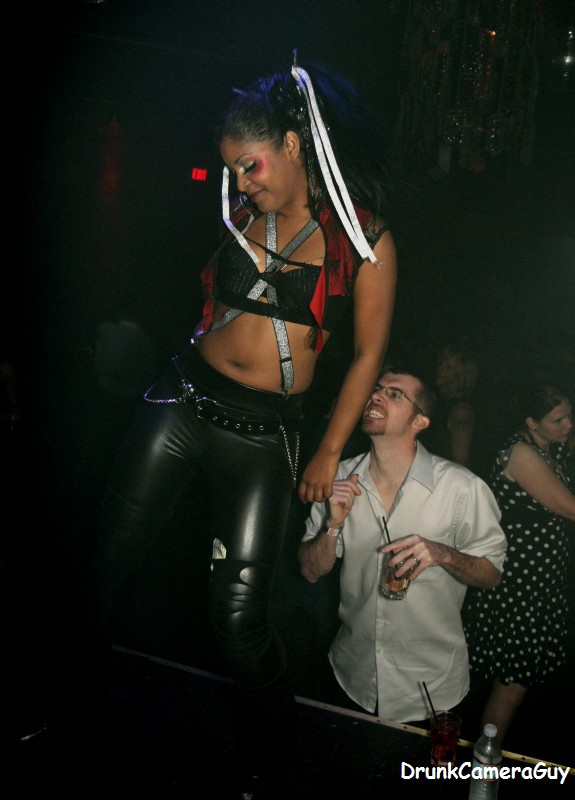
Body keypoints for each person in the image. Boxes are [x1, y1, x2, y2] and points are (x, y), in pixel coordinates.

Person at [86, 55, 397, 797]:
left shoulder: (365, 238)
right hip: (183, 398)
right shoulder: (246, 215)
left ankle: (267, 767)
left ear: (292, 144)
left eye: (249, 165)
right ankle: (64, 706)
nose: (240, 181)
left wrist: (328, 450)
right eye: (232, 169)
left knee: (238, 620)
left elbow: (367, 356)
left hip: (262, 435)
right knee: (107, 561)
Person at [298, 369, 506, 724]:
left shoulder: (461, 488)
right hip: (352, 675)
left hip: (431, 688)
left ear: (419, 421)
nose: (376, 396)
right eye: (376, 389)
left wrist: (443, 554)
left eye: (395, 394)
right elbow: (309, 571)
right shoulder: (339, 478)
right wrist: (333, 526)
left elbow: (491, 575)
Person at [464, 380, 575, 746]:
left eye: (569, 416)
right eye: (558, 420)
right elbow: (570, 508)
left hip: (540, 582)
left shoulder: (548, 446)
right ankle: (483, 766)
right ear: (531, 422)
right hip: (520, 585)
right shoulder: (522, 454)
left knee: (514, 684)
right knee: (511, 687)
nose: (569, 425)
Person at [420, 340, 478, 467]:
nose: (440, 369)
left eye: (449, 367)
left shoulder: (461, 411)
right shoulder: (438, 401)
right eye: (441, 363)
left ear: (461, 375)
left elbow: (460, 462)